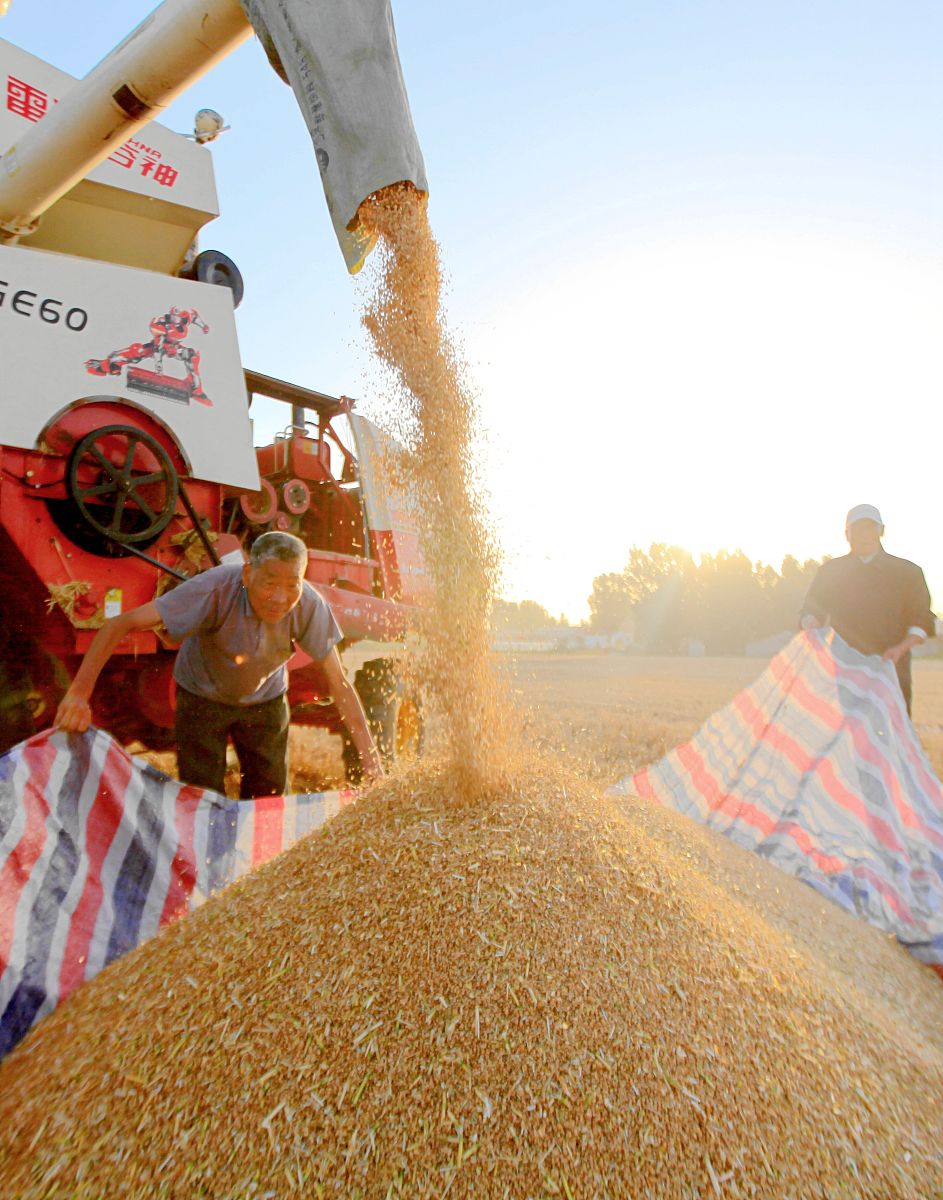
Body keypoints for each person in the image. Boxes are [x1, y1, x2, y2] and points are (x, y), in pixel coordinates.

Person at [55, 531, 383, 795]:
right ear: (248, 573)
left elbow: (339, 682)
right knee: (200, 800)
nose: (281, 598)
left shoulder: (309, 604)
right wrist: (78, 694)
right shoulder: (214, 588)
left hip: (265, 702)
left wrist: (371, 762)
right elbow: (119, 624)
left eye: (292, 585)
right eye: (269, 583)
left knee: (269, 798)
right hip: (201, 698)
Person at [800, 504, 935, 715]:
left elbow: (922, 618)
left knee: (892, 733)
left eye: (871, 528)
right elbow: (813, 607)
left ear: (882, 531)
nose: (865, 535)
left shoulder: (908, 572)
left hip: (892, 670)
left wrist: (901, 648)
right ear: (847, 534)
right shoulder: (831, 572)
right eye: (858, 529)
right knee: (847, 733)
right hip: (845, 670)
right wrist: (810, 622)